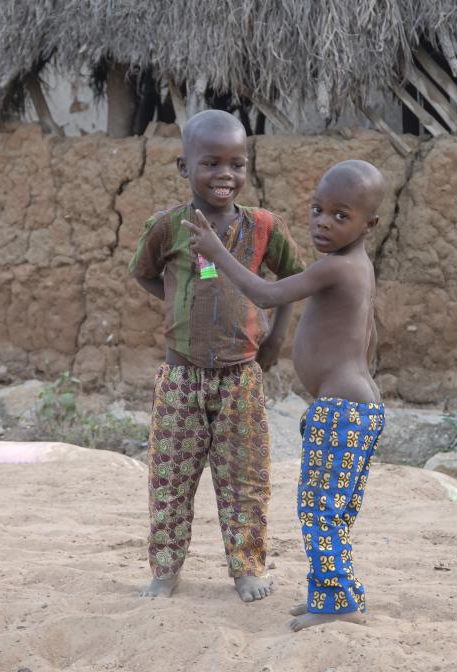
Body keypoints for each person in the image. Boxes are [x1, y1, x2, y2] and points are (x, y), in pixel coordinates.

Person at [184, 159, 387, 631]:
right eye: (318, 209)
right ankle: (333, 592)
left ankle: (337, 604)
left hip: (341, 410)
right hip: (354, 406)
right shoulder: (358, 268)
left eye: (341, 216)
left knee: (320, 511)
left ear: (369, 224)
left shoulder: (335, 268)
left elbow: (267, 294)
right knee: (331, 510)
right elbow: (369, 336)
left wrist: (216, 251)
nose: (323, 222)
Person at [129, 110, 305, 602]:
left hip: (241, 378)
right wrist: (180, 301)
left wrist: (275, 341)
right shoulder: (168, 226)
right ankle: (165, 571)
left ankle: (247, 568)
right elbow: (143, 272)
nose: (225, 174)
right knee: (170, 479)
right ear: (184, 167)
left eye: (237, 163)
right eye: (210, 163)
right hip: (181, 378)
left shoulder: (265, 227)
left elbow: (291, 283)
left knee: (245, 480)